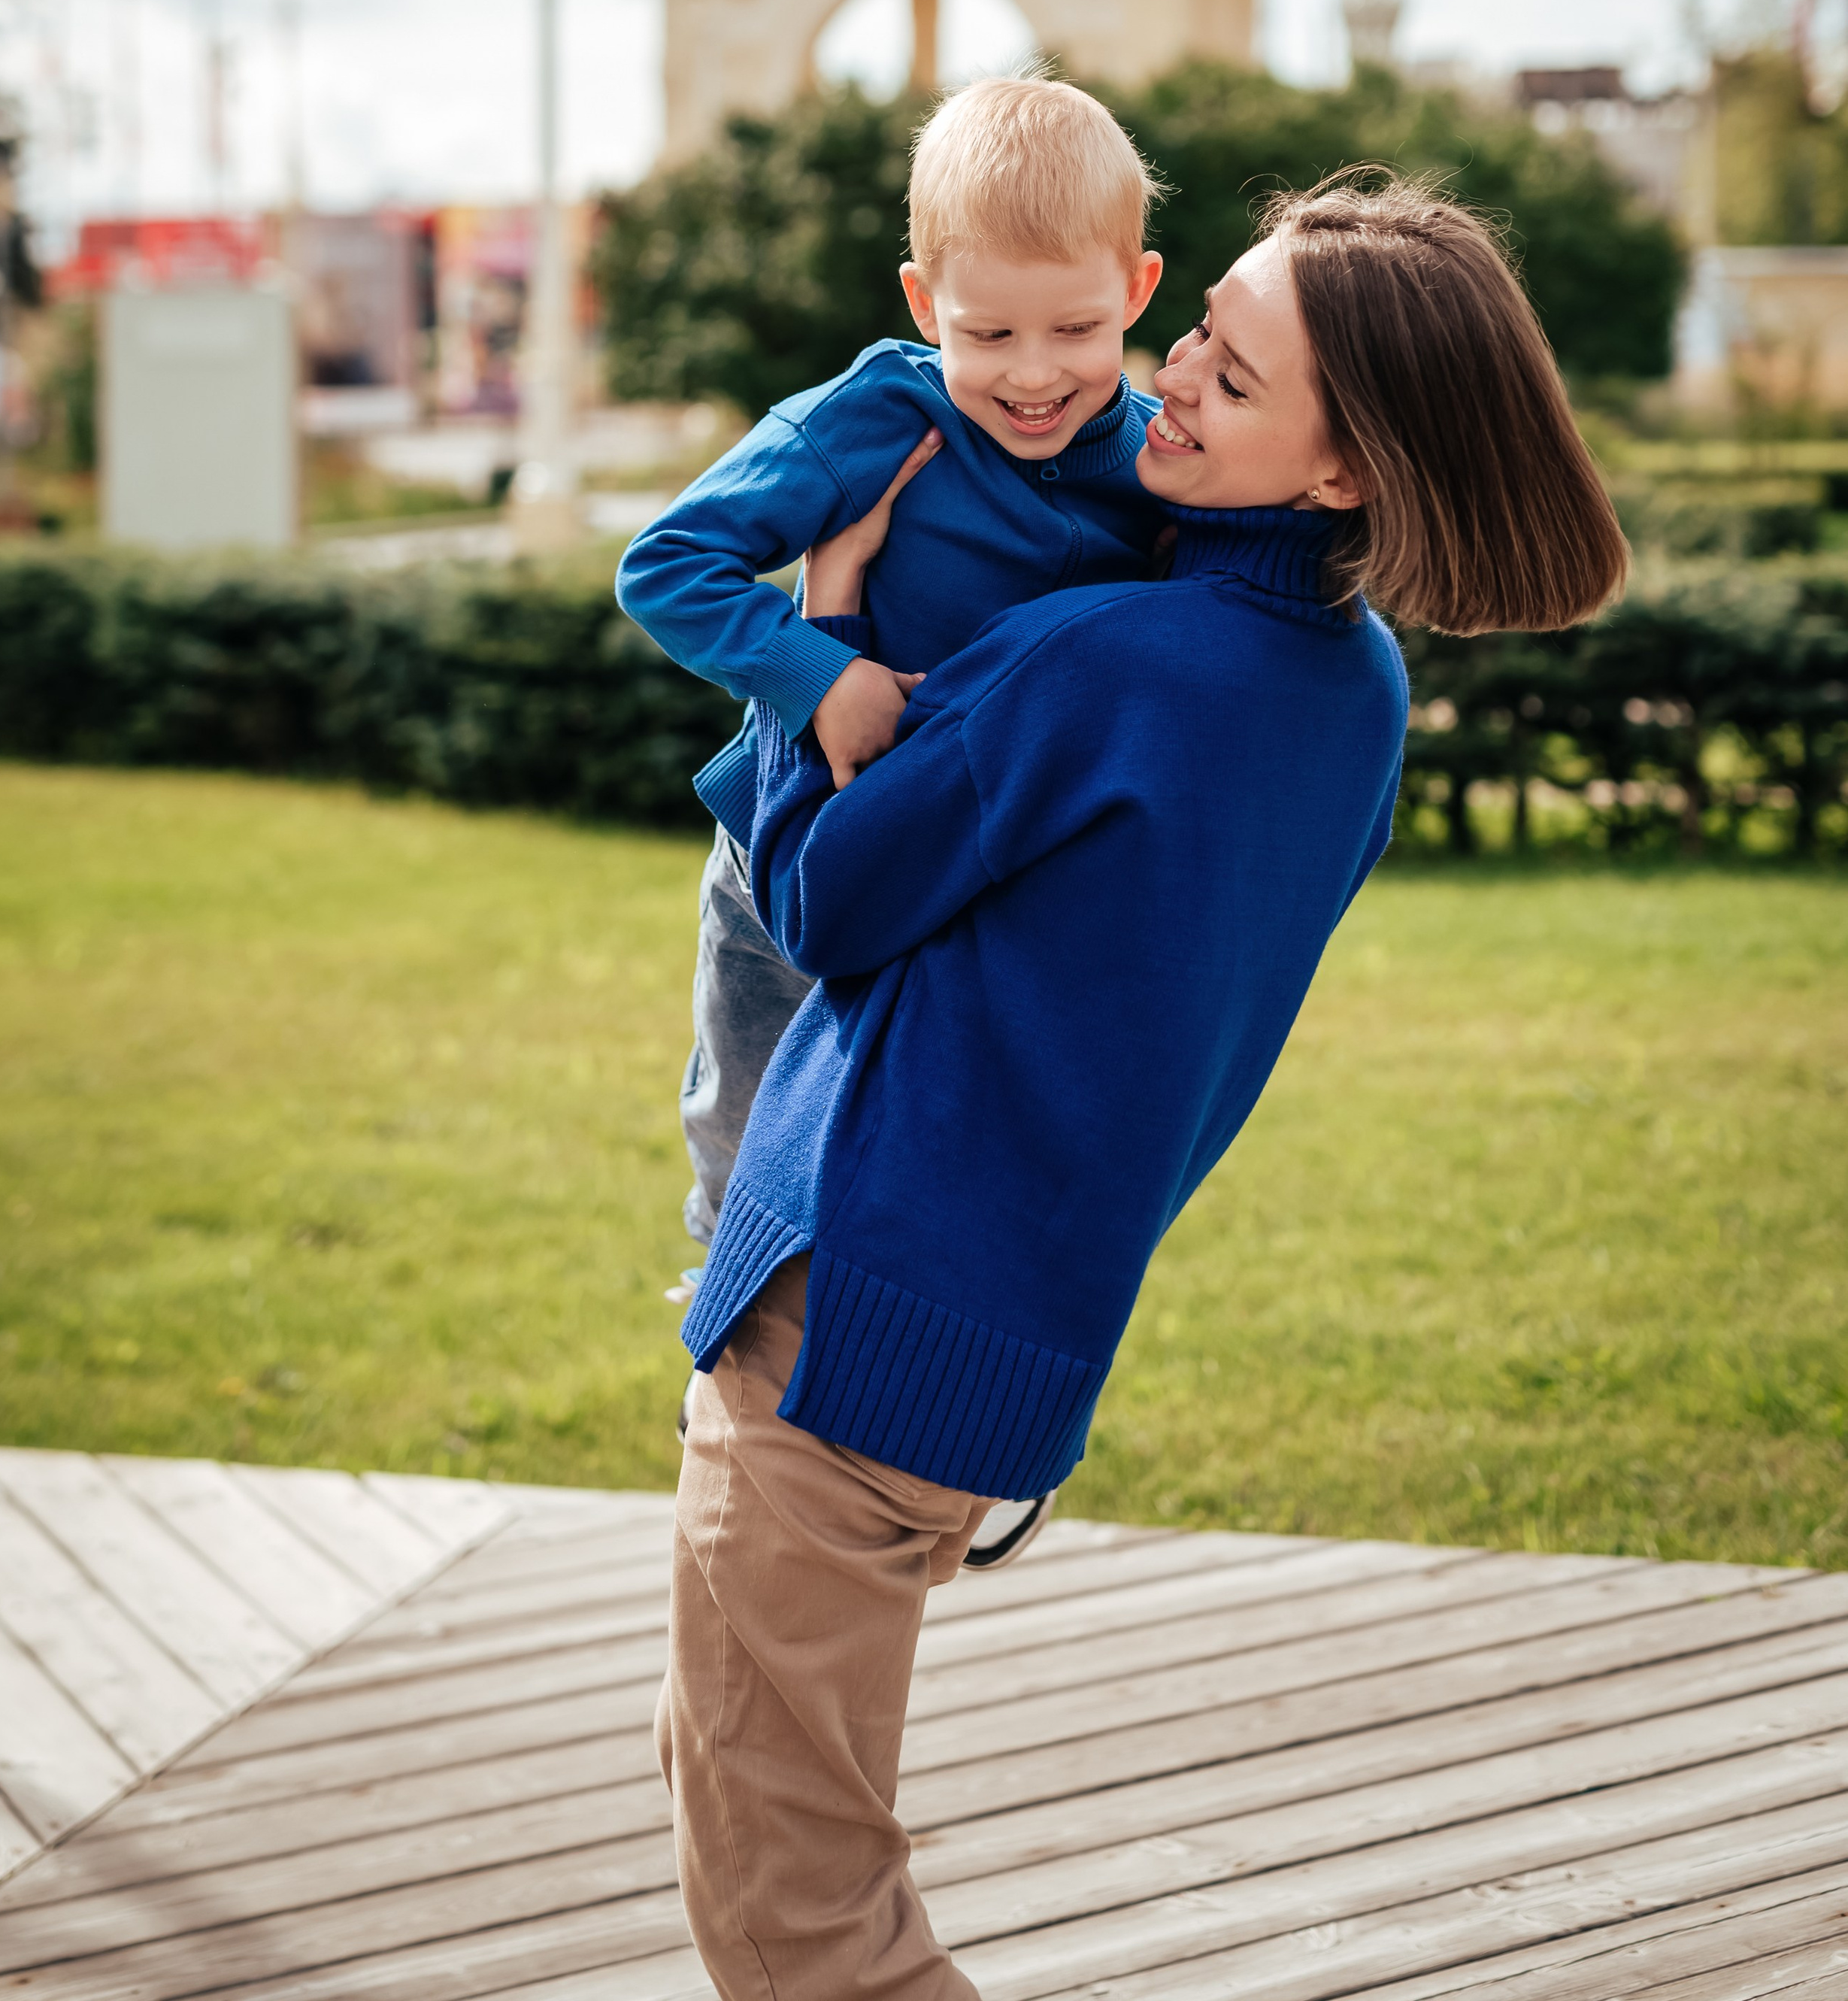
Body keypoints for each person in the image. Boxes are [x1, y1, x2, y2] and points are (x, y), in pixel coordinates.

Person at [656, 174, 1629, 2001]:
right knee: (786, 1835)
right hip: (1003, 1343)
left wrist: (823, 633)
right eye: (1198, 335)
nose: (1163, 384)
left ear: (1342, 472)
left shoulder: (1101, 661)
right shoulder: (1351, 686)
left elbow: (822, 902)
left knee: (803, 1927)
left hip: (844, 1316)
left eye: (1230, 380)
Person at [616, 74, 1165, 1281]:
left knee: (928, 1184)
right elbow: (666, 566)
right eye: (988, 334)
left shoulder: (1156, 461)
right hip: (788, 856)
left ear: (1138, 290)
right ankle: (725, 1341)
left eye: (1077, 329)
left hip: (962, 878)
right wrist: (821, 675)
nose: (1034, 375)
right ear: (925, 304)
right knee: (750, 1138)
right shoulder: (877, 417)